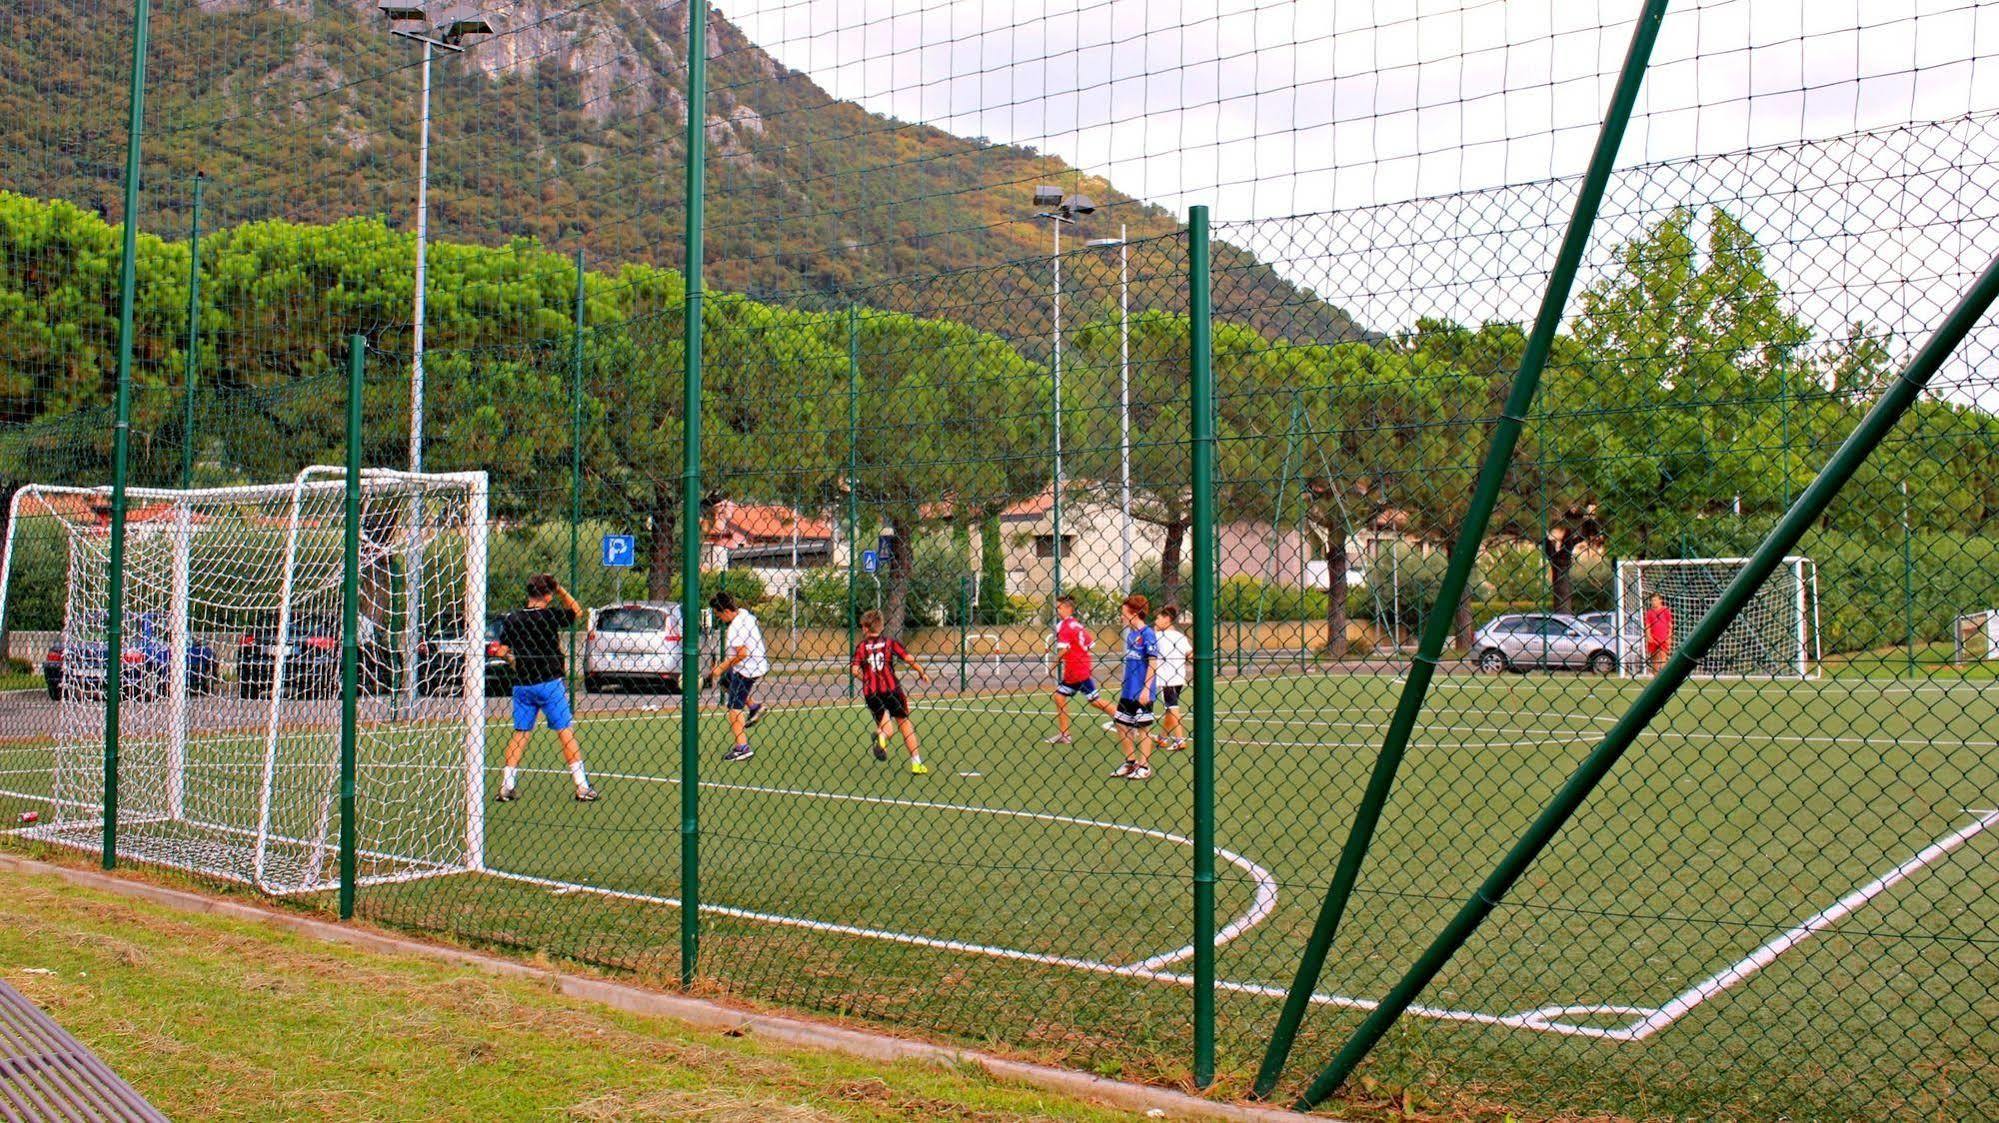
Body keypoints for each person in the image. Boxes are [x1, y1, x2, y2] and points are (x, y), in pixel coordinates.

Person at [494, 574, 596, 802]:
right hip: (549, 682)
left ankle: (507, 786)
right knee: (565, 731)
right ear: (548, 596)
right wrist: (560, 589)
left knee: (520, 734)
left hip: (523, 685)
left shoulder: (513, 618)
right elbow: (577, 612)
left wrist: (514, 660)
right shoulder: (550, 616)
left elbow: (502, 650)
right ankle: (581, 786)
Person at [850, 609, 930, 775]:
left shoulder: (861, 647)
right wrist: (921, 671)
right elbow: (908, 658)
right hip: (892, 690)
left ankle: (882, 736)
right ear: (881, 626)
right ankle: (916, 763)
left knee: (887, 729)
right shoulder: (889, 643)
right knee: (904, 723)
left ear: (865, 628)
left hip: (872, 693)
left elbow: (855, 670)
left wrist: (866, 679)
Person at [703, 592, 769, 762]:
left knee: (734, 707)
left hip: (747, 669)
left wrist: (721, 667)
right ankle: (754, 707)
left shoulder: (735, 628)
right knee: (726, 681)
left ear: (725, 611)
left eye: (718, 615)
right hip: (756, 663)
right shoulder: (745, 614)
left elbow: (742, 654)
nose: (719, 618)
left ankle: (742, 747)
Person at [1046, 594, 1116, 744]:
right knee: (1060, 697)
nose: (1057, 610)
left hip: (1076, 671)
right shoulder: (1077, 625)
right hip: (1078, 668)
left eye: (1059, 607)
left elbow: (1064, 650)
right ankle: (1065, 734)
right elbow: (1090, 645)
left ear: (1068, 608)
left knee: (1095, 701)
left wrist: (1052, 665)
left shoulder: (1064, 626)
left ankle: (1126, 720)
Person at [1110, 594, 1160, 780]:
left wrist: (1147, 689)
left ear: (1134, 613)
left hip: (1142, 691)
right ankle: (1130, 763)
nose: (1122, 616)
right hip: (1128, 690)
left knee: (1143, 729)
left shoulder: (1148, 634)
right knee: (1121, 723)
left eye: (1124, 613)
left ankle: (1144, 766)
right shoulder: (1131, 635)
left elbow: (1153, 663)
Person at [1151, 604, 1192, 753]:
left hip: (1165, 678)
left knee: (1172, 707)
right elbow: (1190, 654)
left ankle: (1180, 739)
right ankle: (1163, 737)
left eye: (1158, 617)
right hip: (1179, 677)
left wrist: (1155, 631)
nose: (1155, 620)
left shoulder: (1157, 637)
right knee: (1170, 708)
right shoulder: (1180, 636)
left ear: (1167, 619)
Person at [1644, 592, 1674, 675]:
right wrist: (1648, 636)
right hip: (1653, 637)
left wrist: (1669, 637)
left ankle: (1664, 676)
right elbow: (1647, 625)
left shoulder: (1665, 610)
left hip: (1663, 637)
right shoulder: (1649, 612)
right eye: (1652, 600)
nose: (1653, 602)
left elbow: (1670, 625)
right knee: (1655, 658)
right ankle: (1655, 677)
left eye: (1655, 600)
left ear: (1660, 601)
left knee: (1663, 656)